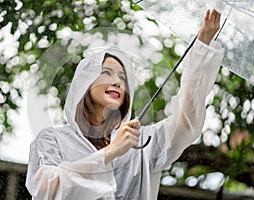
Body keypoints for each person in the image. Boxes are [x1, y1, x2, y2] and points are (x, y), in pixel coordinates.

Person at [26, 9, 224, 200]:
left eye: (122, 77)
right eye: (106, 73)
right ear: (84, 85)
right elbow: (47, 190)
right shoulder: (53, 140)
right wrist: (111, 153)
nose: (118, 82)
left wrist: (201, 47)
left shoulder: (141, 143)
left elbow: (186, 120)